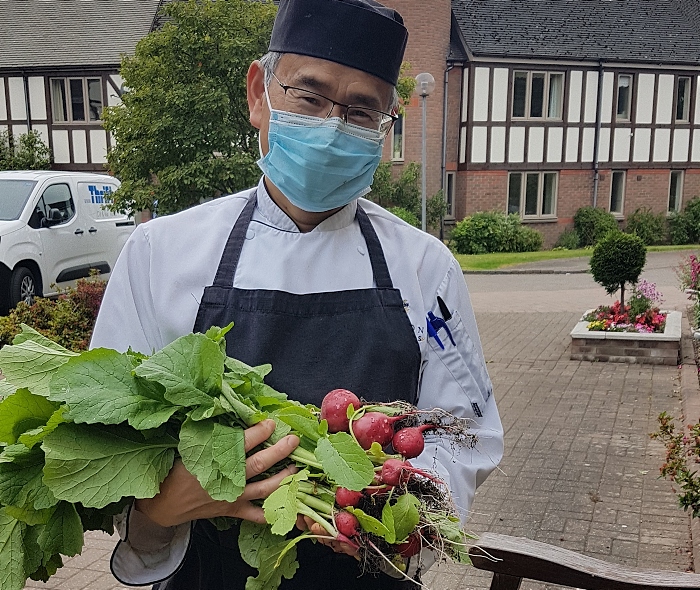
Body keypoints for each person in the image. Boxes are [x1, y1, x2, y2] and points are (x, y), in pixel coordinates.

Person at [91, 0, 504, 588]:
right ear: (259, 93)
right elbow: (114, 443)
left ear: (387, 125)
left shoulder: (424, 268)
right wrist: (157, 511)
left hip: (366, 570)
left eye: (361, 112)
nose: (333, 127)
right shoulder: (161, 253)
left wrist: (396, 513)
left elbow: (468, 433)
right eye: (309, 97)